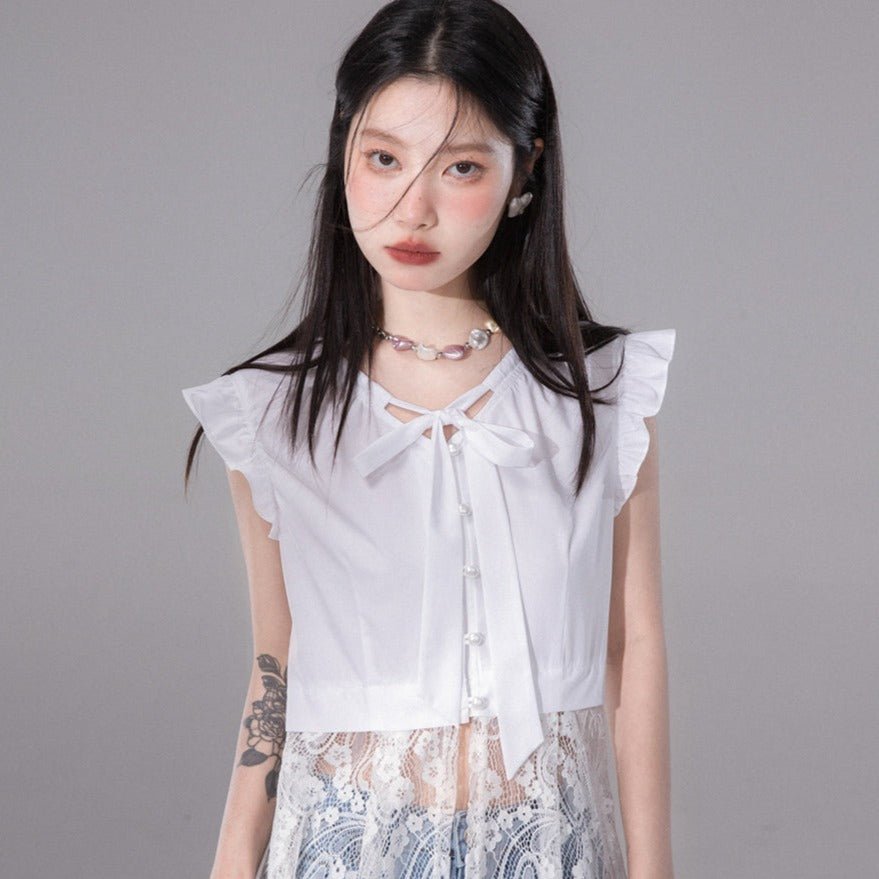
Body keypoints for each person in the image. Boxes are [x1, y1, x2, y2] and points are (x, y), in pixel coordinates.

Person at [181, 1, 677, 877]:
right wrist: (231, 862)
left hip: (547, 840)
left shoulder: (600, 392)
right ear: (343, 155)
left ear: (524, 172)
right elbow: (276, 661)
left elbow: (627, 650)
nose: (412, 208)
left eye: (460, 167)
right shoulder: (271, 410)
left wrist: (653, 867)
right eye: (383, 159)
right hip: (342, 839)